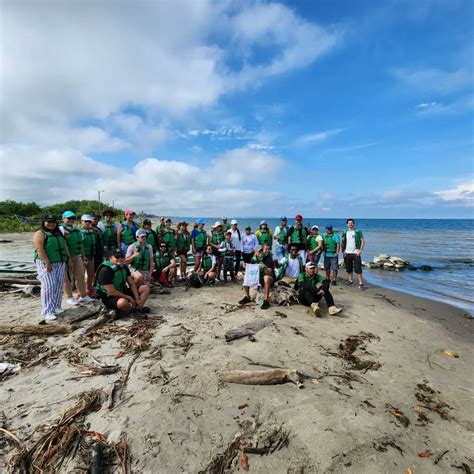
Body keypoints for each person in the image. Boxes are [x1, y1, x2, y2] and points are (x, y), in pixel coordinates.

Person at [33, 214, 71, 321]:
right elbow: (39, 249)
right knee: (49, 285)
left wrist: (69, 260)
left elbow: (65, 245)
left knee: (59, 284)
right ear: (44, 222)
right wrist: (47, 262)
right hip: (45, 262)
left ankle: (56, 306)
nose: (51, 224)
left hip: (60, 261)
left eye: (53, 222)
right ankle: (47, 311)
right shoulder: (39, 233)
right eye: (48, 222)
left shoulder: (59, 232)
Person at [96, 248, 150, 316]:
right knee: (122, 303)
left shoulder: (124, 266)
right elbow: (112, 292)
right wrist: (129, 298)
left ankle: (138, 309)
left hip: (121, 291)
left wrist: (136, 297)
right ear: (110, 259)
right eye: (117, 257)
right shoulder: (105, 271)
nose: (120, 258)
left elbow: (131, 283)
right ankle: (132, 311)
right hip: (108, 296)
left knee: (145, 288)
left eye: (122, 256)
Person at [59, 211, 93, 305]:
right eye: (69, 218)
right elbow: (64, 245)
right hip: (67, 257)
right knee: (68, 278)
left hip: (77, 256)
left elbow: (80, 243)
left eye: (73, 218)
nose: (71, 220)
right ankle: (69, 297)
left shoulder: (76, 229)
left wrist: (83, 255)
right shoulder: (60, 229)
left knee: (80, 276)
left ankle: (83, 295)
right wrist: (68, 259)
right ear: (63, 219)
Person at [239, 244, 275, 310]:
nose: (261, 252)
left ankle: (266, 300)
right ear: (255, 252)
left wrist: (265, 267)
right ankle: (247, 297)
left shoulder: (268, 258)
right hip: (258, 278)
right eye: (259, 251)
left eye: (261, 250)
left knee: (266, 277)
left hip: (269, 279)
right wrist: (245, 268)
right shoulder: (253, 259)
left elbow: (270, 272)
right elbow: (250, 271)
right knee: (245, 276)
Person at [341, 218, 365, 288]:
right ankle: (350, 281)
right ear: (347, 224)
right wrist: (343, 250)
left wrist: (360, 251)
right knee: (349, 268)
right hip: (347, 253)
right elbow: (342, 241)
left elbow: (363, 241)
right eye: (349, 223)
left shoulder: (358, 231)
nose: (350, 224)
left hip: (356, 253)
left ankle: (360, 283)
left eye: (352, 223)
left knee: (358, 268)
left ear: (354, 224)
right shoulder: (345, 232)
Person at [80, 214, 97, 298]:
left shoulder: (92, 231)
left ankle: (89, 290)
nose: (87, 223)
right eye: (85, 221)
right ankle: (80, 293)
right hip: (82, 256)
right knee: (81, 276)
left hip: (91, 255)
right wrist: (82, 256)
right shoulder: (79, 232)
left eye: (89, 221)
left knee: (90, 274)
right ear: (81, 222)